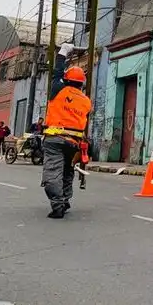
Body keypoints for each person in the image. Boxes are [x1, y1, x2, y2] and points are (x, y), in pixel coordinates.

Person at [40, 43, 92, 219]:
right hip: (74, 143)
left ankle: (58, 205)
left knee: (53, 172)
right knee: (68, 171)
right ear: (81, 84)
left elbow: (57, 71)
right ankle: (65, 199)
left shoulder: (58, 90)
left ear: (67, 80)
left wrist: (63, 52)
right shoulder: (86, 101)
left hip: (55, 139)